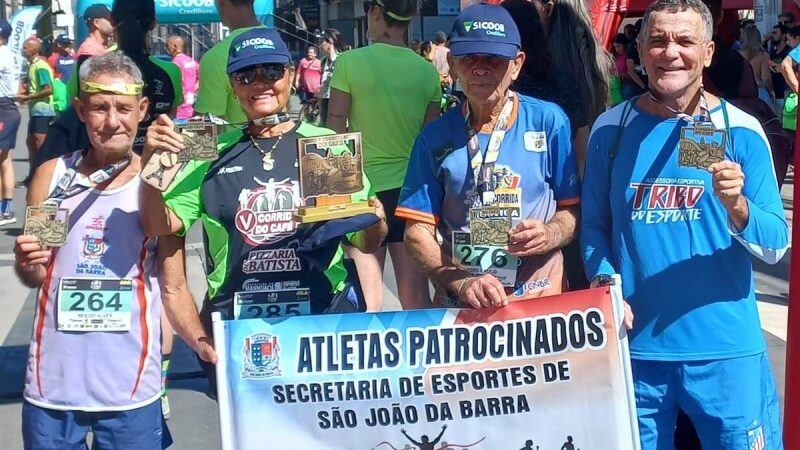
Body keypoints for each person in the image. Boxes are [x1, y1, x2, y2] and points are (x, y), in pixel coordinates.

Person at [581, 1, 788, 449]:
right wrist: (604, 279)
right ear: (639, 49)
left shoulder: (742, 130)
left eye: (684, 41)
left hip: (727, 355)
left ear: (709, 52)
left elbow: (776, 245)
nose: (669, 52)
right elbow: (594, 226)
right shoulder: (610, 130)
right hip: (636, 353)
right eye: (657, 40)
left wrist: (739, 208)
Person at [139, 28, 387, 392]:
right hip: (239, 330)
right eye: (246, 75)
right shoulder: (208, 149)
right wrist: (149, 170)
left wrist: (376, 221)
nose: (261, 83)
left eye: (271, 71)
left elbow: (364, 241)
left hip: (321, 325)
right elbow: (159, 224)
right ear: (232, 85)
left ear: (290, 74)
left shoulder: (323, 147)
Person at [13, 51, 192, 450]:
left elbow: (166, 260)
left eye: (124, 108)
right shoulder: (52, 177)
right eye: (99, 108)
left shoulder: (156, 178)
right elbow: (38, 273)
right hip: (54, 386)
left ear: (142, 109)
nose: (112, 121)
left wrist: (200, 341)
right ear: (80, 109)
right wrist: (29, 263)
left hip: (129, 388)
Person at [398, 3, 580, 308]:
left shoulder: (549, 122)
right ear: (453, 65)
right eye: (469, 58)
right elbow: (416, 233)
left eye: (494, 59)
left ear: (517, 64)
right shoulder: (434, 138)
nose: (480, 69)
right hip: (465, 305)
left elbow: (573, 212)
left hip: (539, 300)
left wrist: (550, 233)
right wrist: (458, 280)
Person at [327, 0, 441, 311]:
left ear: (376, 12)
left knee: (365, 297)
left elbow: (335, 126)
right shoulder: (426, 71)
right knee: (416, 296)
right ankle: (427, 358)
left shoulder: (349, 62)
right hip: (412, 191)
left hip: (360, 188)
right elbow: (429, 140)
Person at [194, 0, 262, 129]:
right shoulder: (277, 44)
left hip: (235, 147)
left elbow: (207, 127)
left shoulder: (217, 56)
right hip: (280, 145)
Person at [18, 38, 55, 171]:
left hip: (43, 110)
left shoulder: (40, 66)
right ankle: (32, 174)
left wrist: (28, 96)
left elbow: (48, 89)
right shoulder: (32, 65)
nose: (23, 49)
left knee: (40, 143)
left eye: (25, 47)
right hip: (35, 110)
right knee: (30, 142)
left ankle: (43, 172)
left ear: (34, 50)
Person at [0, 20, 20, 225]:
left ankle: (6, 210)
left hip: (3, 108)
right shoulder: (11, 54)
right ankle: (5, 209)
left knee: (3, 159)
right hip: (7, 106)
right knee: (4, 160)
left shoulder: (3, 54)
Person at [317, 28, 348, 127]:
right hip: (325, 100)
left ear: (330, 41)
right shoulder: (323, 61)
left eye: (321, 41)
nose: (320, 45)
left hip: (339, 99)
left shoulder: (343, 59)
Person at [167, 35, 200, 120]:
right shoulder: (190, 61)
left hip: (179, 108)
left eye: (167, 45)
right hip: (191, 105)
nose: (166, 48)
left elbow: (177, 83)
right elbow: (202, 76)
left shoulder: (175, 63)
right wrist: (193, 89)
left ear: (174, 46)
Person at [739, 25, 775, 104]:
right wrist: (771, 91)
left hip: (741, 91)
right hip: (758, 91)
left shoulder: (737, 54)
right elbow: (766, 78)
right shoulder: (763, 55)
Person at [767, 24, 790, 113]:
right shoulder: (772, 51)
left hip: (783, 94)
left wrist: (776, 65)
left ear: (784, 35)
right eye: (772, 33)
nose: (772, 35)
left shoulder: (789, 51)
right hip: (772, 93)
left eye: (775, 33)